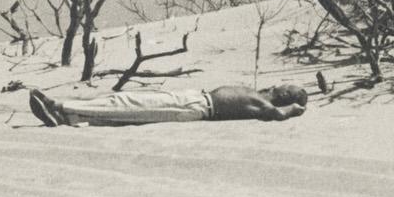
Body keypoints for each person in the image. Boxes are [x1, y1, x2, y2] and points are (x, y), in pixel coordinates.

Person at [27, 83, 309, 127]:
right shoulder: (258, 92)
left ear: (285, 97)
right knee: (126, 101)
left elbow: (278, 115)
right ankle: (67, 118)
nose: (281, 85)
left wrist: (297, 109)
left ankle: (60, 106)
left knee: (130, 111)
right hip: (193, 96)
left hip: (196, 110)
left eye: (287, 88)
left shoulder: (265, 106)